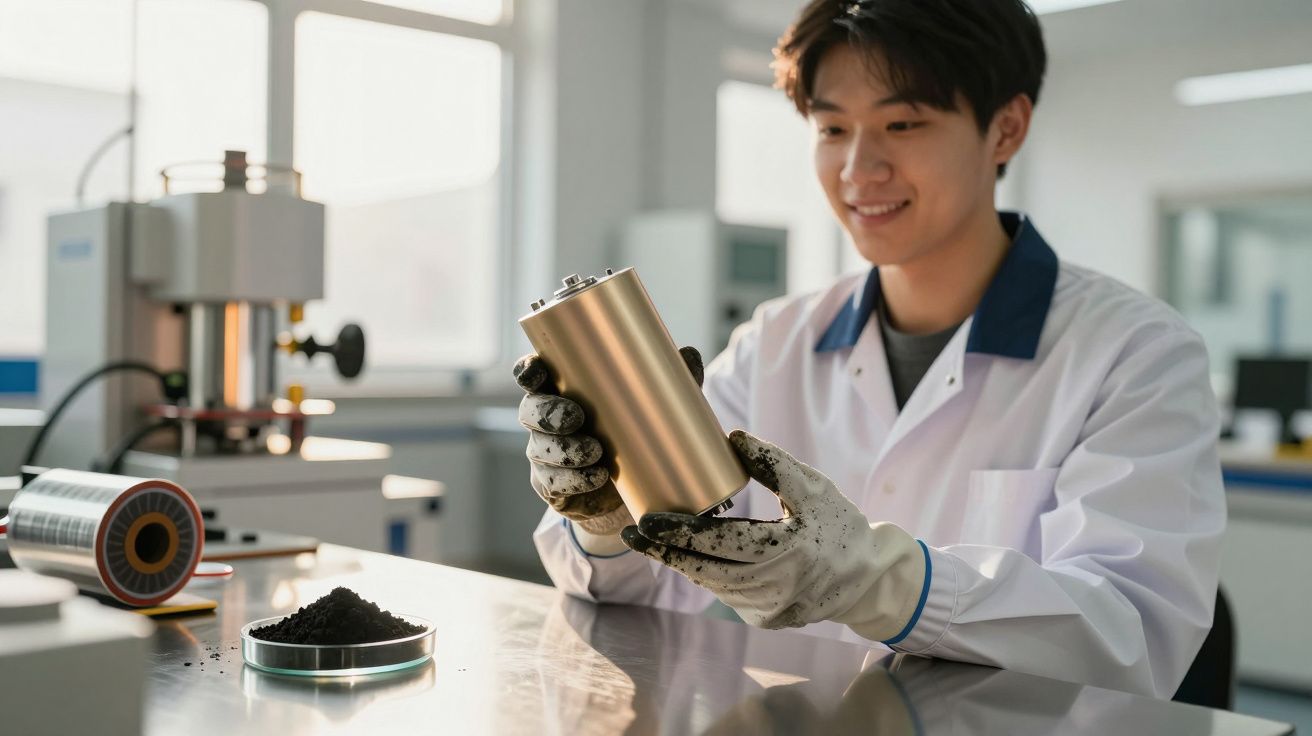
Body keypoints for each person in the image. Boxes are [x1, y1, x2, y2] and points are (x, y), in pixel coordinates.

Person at [518, 0, 1225, 699]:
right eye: (832, 128)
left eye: (903, 123)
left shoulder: (1136, 355)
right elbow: (632, 595)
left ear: (1006, 128)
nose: (859, 168)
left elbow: (1129, 638)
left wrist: (878, 580)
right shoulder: (775, 343)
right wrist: (609, 522)